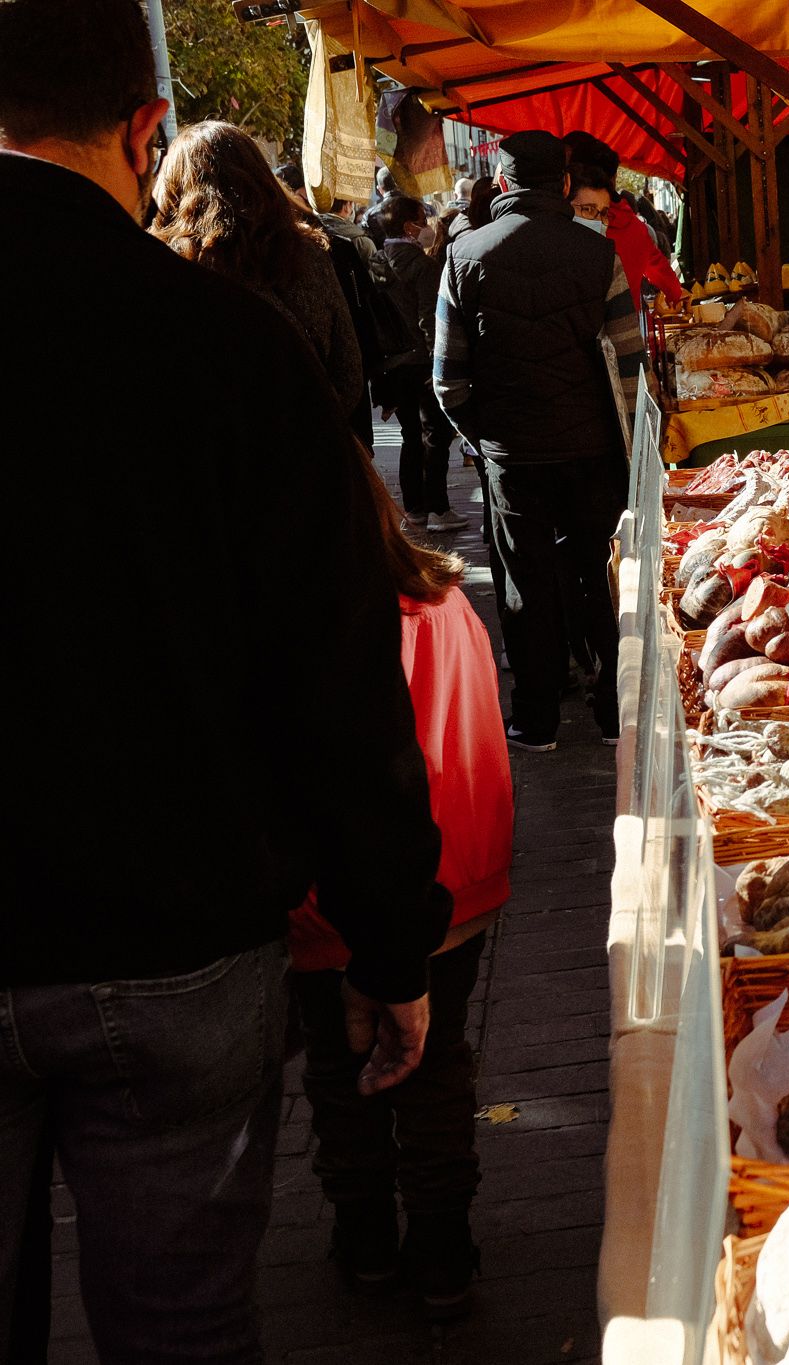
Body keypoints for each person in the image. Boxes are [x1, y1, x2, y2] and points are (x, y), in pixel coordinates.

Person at [0, 1, 449, 1358]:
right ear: (146, 132)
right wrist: (390, 940)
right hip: (179, 948)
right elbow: (334, 672)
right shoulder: (228, 352)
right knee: (183, 1331)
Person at [288, 450, 511, 1317]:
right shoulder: (448, 602)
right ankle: (444, 1251)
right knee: (436, 1066)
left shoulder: (318, 624)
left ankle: (367, 1241)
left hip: (332, 898)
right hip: (453, 882)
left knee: (346, 1073)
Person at [434, 129, 644, 752]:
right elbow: (628, 364)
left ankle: (534, 720)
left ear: (502, 184)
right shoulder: (596, 252)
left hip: (513, 456)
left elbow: (447, 379)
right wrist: (629, 450)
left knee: (528, 584)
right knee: (603, 580)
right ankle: (616, 713)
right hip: (592, 452)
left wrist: (485, 438)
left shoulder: (462, 255)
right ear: (562, 185)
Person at [152, 120, 365, 412]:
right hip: (316, 439)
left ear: (175, 187)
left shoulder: (174, 265)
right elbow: (350, 371)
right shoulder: (311, 251)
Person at [377, 193, 466, 533]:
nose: (428, 227)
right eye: (422, 220)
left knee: (410, 435)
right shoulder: (422, 266)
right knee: (434, 435)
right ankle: (438, 508)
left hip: (393, 365)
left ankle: (414, 508)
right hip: (422, 363)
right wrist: (436, 362)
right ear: (409, 227)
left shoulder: (379, 261)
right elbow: (430, 318)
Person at [565, 132, 684, 313]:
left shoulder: (567, 227)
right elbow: (668, 281)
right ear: (614, 177)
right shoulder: (635, 227)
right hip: (629, 332)